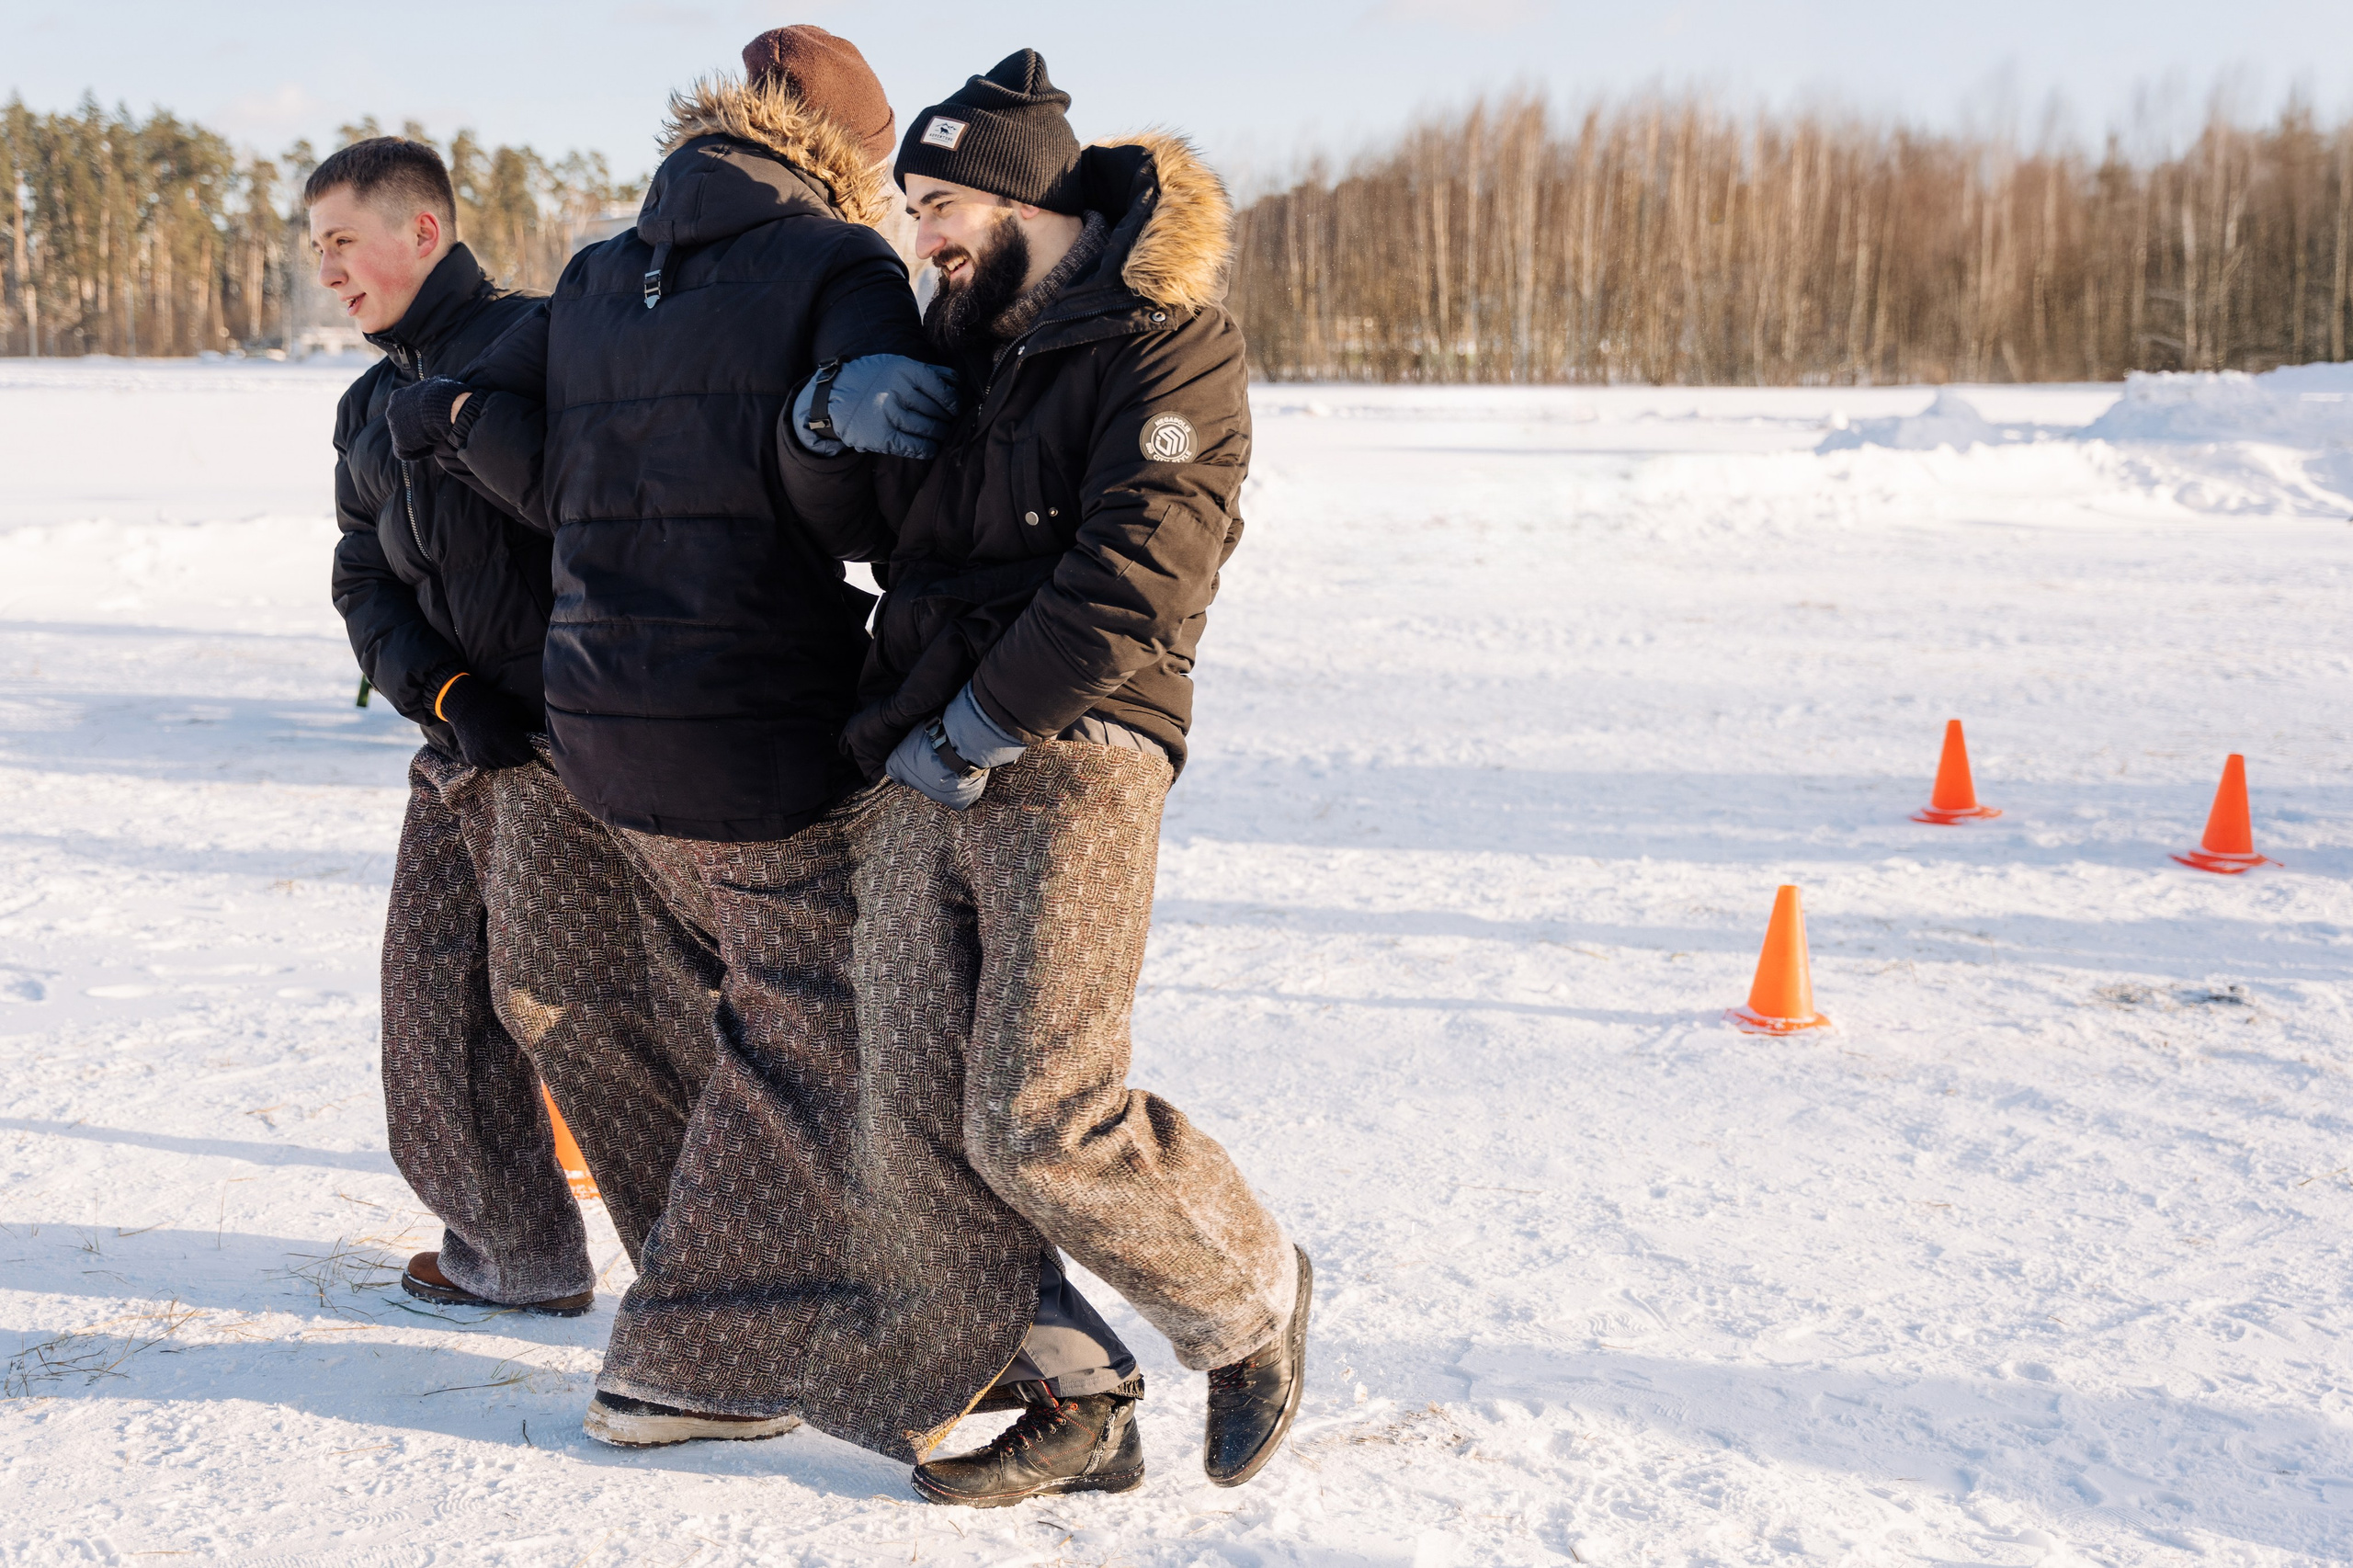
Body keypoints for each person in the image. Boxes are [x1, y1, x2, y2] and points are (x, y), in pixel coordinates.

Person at [387, 27, 983, 1452]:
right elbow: (865, 512)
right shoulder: (838, 268)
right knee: (853, 1028)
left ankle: (737, 1323)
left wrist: (458, 416)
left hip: (601, 733)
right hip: (754, 728)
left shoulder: (599, 273)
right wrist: (824, 425)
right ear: (838, 152)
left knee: (749, 1027)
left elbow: (542, 465)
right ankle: (715, 1357)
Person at [778, 51, 1310, 1507]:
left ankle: (1250, 1297)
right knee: (907, 1112)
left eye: (938, 202)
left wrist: (980, 728)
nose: (921, 237)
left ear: (1019, 196)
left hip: (1076, 750)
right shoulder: (960, 343)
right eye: (911, 208)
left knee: (1037, 1112)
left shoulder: (1166, 341)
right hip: (914, 752)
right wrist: (824, 420)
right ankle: (1076, 1401)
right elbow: (861, 522)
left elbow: (1139, 575)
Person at [316, 139, 718, 1317]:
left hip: (570, 752)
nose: (328, 272)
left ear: (422, 231)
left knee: (588, 1018)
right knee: (430, 1002)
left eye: (343, 241)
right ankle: (515, 1252)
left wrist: (554, 702)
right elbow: (360, 579)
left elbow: (609, 520)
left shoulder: (543, 344)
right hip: (461, 744)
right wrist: (443, 697)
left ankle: (723, 1291)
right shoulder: (365, 403)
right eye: (318, 249)